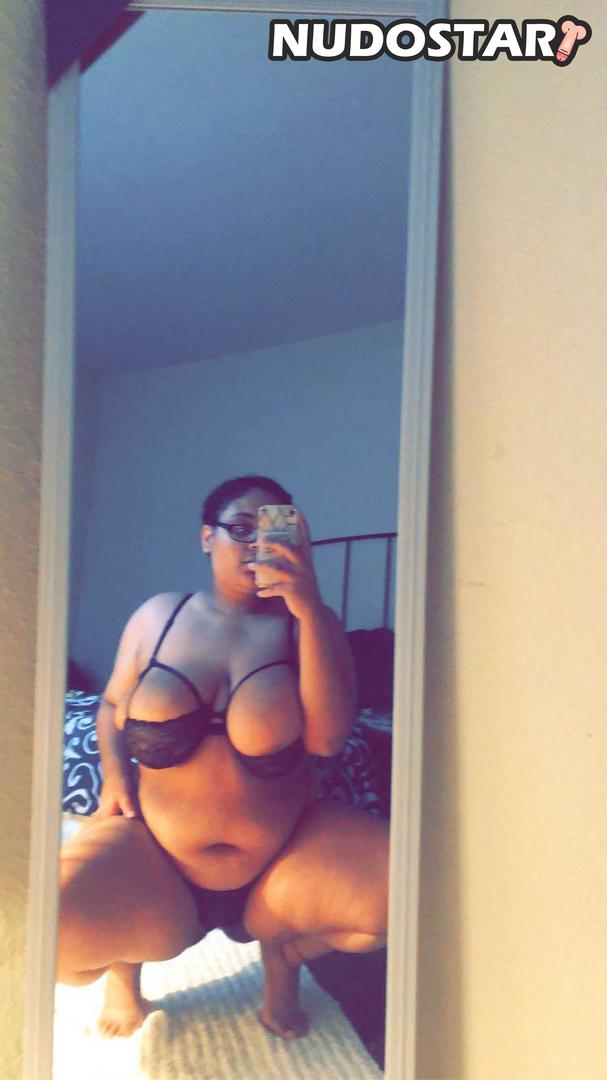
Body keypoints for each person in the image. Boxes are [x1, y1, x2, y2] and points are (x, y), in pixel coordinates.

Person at [57, 475, 389, 1040]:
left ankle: (284, 953)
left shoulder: (310, 627)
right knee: (48, 931)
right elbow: (111, 704)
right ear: (207, 537)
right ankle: (125, 964)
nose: (257, 543)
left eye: (275, 530)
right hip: (157, 859)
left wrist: (310, 607)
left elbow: (329, 741)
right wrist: (114, 778)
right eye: (241, 528)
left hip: (282, 863)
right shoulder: (157, 617)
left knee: (410, 896)